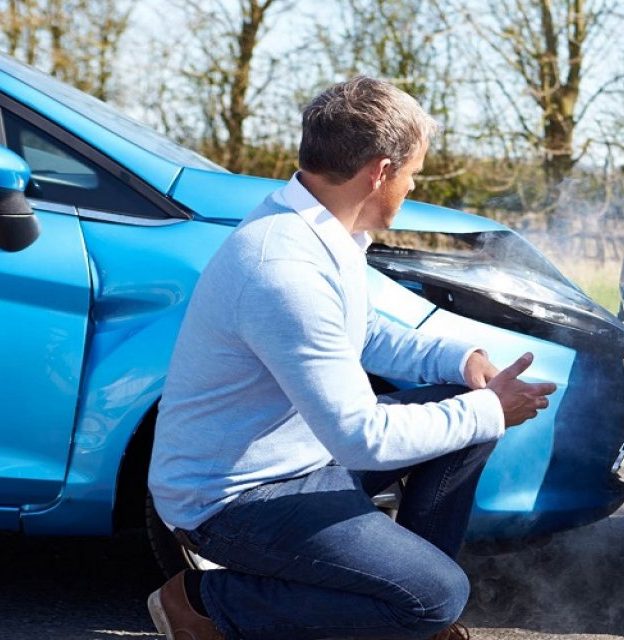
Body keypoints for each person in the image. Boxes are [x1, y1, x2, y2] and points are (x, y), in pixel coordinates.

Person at [146, 76, 556, 640]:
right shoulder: (282, 268)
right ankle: (205, 604)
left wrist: (462, 361)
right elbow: (360, 438)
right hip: (234, 500)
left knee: (466, 414)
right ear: (381, 171)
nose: (412, 187)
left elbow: (361, 333)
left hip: (299, 461)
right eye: (412, 174)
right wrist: (493, 410)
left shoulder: (316, 230)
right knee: (439, 596)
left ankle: (405, 603)